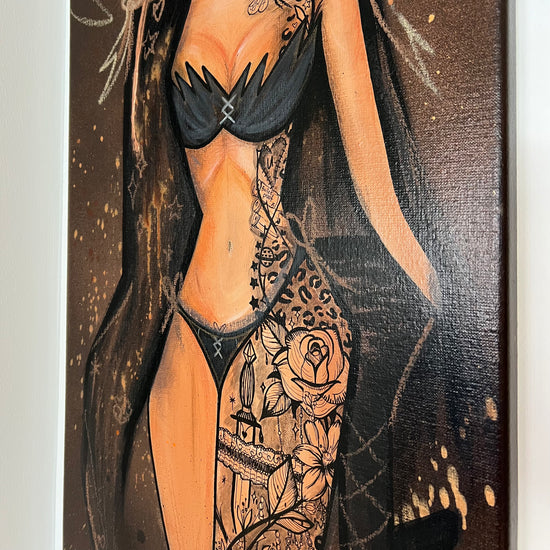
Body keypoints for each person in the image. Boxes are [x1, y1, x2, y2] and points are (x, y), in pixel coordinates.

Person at [82, 1, 441, 549]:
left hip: (287, 328)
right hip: (188, 323)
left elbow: (376, 187)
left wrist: (444, 299)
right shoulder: (163, 11)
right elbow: (146, 198)